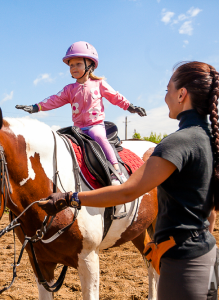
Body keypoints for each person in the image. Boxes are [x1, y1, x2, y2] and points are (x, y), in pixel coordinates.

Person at [38, 61, 219, 300]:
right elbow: (211, 214)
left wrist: (70, 198)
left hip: (182, 266)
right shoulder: (209, 138)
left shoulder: (178, 143)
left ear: (182, 94)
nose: (165, 97)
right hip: (205, 254)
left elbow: (126, 192)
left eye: (168, 90)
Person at [16, 41, 147, 183]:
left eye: (78, 64)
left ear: (89, 65)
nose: (73, 68)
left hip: (95, 125)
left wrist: (130, 106)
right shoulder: (69, 89)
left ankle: (116, 171)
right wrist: (36, 107)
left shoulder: (99, 84)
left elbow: (115, 97)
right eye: (71, 65)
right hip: (78, 128)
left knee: (99, 137)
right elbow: (54, 100)